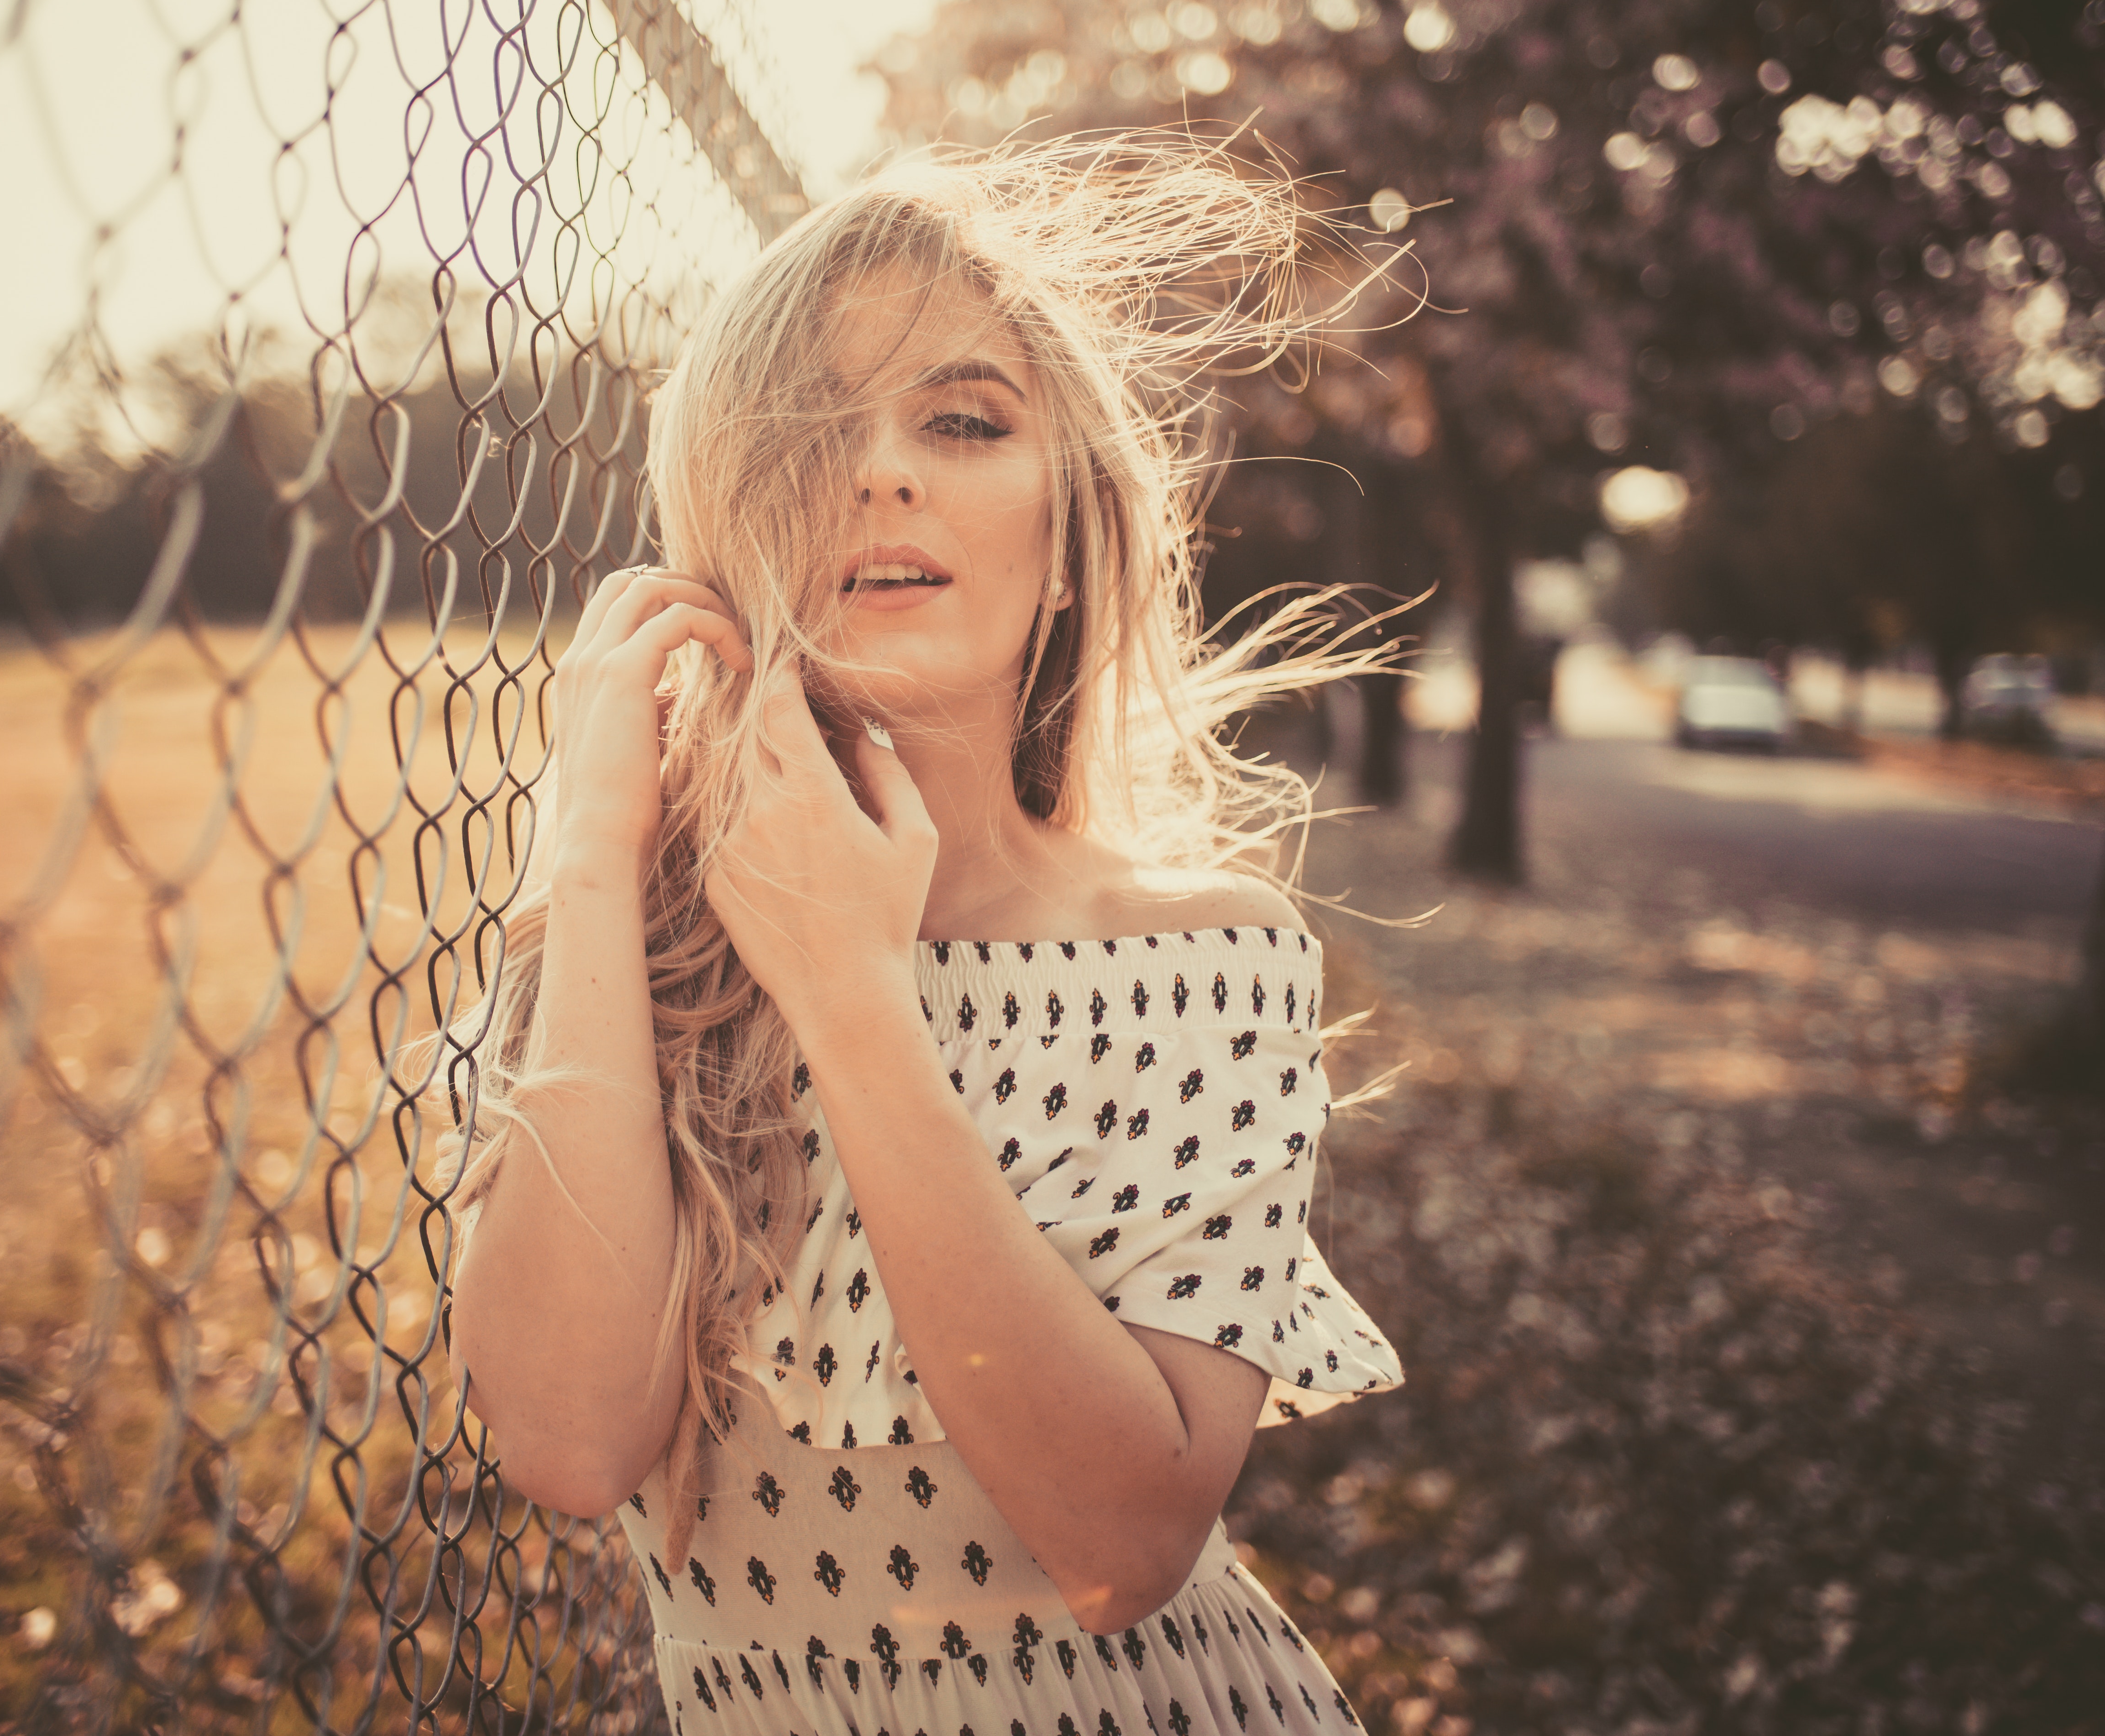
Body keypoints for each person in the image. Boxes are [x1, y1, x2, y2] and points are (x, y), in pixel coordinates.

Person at [436, 136, 1403, 1735]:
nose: (883, 471)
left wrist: (847, 987)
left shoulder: (1209, 958)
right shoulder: (622, 963)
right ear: (723, 514)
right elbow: (567, 1440)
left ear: (1073, 528)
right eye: (815, 426)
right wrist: (595, 862)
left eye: (963, 419)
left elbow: (1120, 1546)